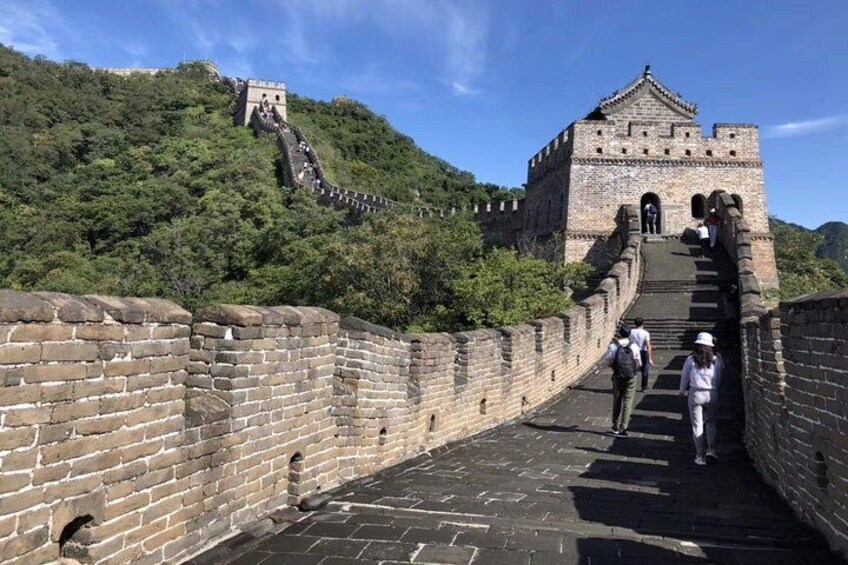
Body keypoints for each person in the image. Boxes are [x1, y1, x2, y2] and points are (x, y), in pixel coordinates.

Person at [678, 332, 723, 466]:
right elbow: (718, 378)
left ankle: (699, 455)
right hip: (711, 393)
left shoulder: (691, 359)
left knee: (697, 425)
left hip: (695, 393)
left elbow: (685, 376)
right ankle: (711, 450)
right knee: (711, 423)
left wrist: (681, 390)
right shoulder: (716, 360)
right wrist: (716, 391)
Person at [606, 325, 642, 437]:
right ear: (629, 334)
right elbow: (639, 364)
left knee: (617, 400)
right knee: (628, 401)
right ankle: (623, 427)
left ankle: (615, 425)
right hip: (631, 376)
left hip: (618, 376)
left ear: (620, 333)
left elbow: (609, 363)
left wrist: (615, 366)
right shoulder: (634, 346)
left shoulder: (613, 346)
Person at [629, 318, 655, 392]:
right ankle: (644, 386)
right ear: (643, 323)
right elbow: (648, 346)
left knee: (632, 369)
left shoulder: (631, 332)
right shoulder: (645, 333)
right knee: (645, 370)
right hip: (643, 352)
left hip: (633, 351)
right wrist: (650, 358)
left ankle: (631, 385)